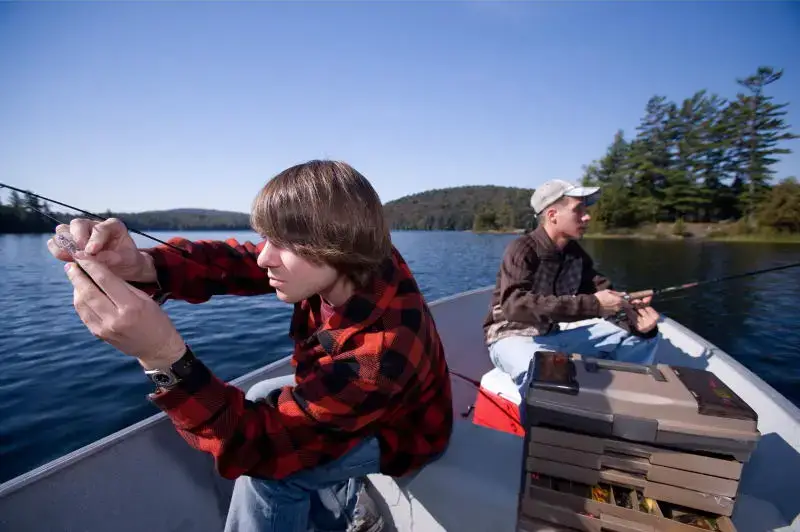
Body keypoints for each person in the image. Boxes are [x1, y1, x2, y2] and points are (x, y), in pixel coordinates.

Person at [48, 160, 454, 532]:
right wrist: (143, 265)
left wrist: (163, 357)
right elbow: (237, 262)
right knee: (260, 394)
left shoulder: (380, 354)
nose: (264, 259)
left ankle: (330, 504)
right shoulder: (358, 258)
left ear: (341, 244)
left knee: (271, 480)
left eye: (285, 244)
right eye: (266, 238)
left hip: (402, 436)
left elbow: (256, 449)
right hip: (362, 403)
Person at [483, 178, 660, 395]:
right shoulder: (521, 249)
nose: (587, 216)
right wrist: (594, 305)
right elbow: (514, 305)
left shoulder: (576, 255)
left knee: (640, 337)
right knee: (541, 372)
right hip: (510, 338)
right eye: (579, 210)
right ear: (552, 215)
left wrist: (631, 316)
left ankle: (622, 395)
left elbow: (602, 291)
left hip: (552, 336)